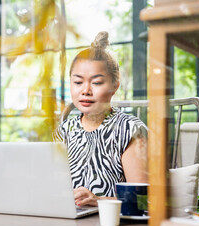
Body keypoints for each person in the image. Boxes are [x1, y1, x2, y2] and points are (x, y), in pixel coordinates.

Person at [53, 31, 147, 207]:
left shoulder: (130, 130)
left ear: (114, 86)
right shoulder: (64, 131)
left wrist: (98, 201)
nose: (86, 90)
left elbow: (143, 200)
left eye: (96, 83)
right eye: (78, 82)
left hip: (113, 224)